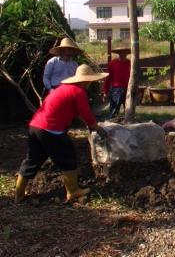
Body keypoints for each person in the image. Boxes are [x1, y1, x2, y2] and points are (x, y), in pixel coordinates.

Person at [15, 64, 109, 203]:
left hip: (35, 126)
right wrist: (96, 127)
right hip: (50, 129)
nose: (90, 83)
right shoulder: (79, 91)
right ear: (85, 80)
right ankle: (73, 191)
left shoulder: (63, 88)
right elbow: (86, 112)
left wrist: (89, 125)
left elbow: (77, 112)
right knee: (67, 156)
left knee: (33, 159)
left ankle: (19, 195)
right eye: (90, 81)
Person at [102, 47, 131, 118]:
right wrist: (105, 91)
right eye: (121, 52)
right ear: (118, 53)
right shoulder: (113, 63)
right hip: (116, 90)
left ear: (127, 53)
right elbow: (108, 78)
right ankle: (112, 123)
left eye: (125, 52)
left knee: (128, 110)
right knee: (114, 110)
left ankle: (128, 124)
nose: (123, 54)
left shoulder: (130, 63)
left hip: (128, 88)